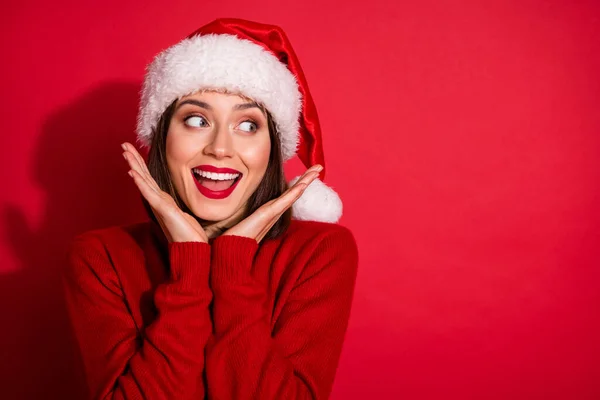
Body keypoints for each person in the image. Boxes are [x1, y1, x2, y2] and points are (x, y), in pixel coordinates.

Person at [63, 18, 358, 400]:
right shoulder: (99, 258)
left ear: (271, 150)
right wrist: (190, 263)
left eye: (248, 125)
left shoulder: (318, 252)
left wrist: (230, 267)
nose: (220, 147)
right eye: (197, 120)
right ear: (163, 137)